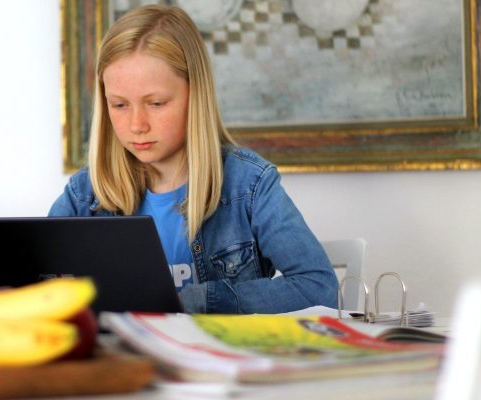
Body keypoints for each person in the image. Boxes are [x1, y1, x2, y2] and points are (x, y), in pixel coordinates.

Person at [49, 4, 338, 314]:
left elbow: (318, 287)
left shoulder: (249, 185)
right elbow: (32, 287)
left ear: (195, 95)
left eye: (156, 103)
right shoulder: (85, 194)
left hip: (221, 359)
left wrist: (196, 301)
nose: (137, 125)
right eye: (119, 105)